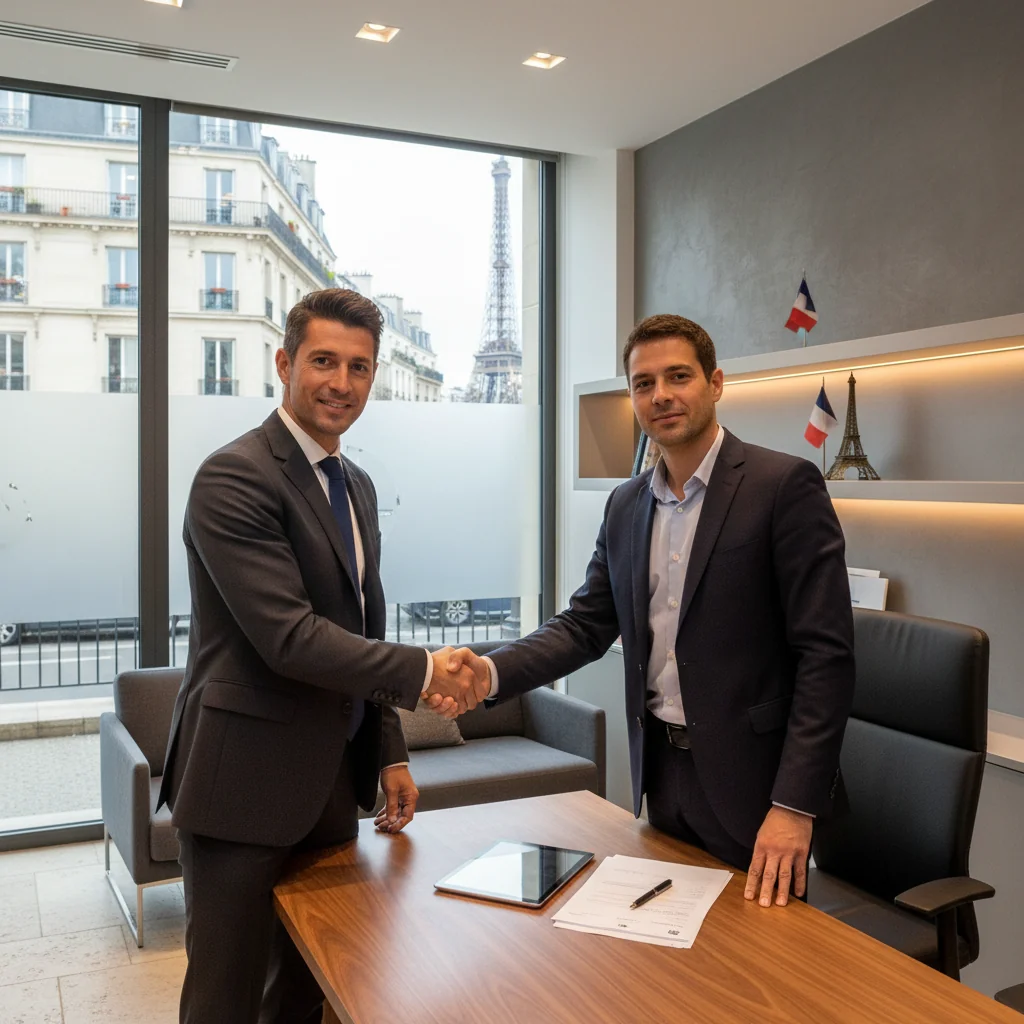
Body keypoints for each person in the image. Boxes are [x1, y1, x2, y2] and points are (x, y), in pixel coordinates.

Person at [439, 314, 855, 909]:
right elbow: (584, 625)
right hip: (661, 774)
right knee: (668, 942)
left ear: (715, 383)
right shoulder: (625, 504)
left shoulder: (783, 485)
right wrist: (490, 672)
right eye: (643, 383)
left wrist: (794, 805)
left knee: (759, 957)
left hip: (757, 786)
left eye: (678, 376)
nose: (660, 395)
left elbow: (825, 657)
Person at [158, 288, 487, 1024]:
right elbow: (289, 636)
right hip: (242, 788)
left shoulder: (356, 485)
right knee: (225, 998)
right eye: (324, 362)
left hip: (332, 787)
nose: (342, 383)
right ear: (285, 364)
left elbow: (362, 622)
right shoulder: (234, 475)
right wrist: (424, 672)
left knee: (309, 988)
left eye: (359, 367)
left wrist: (390, 749)